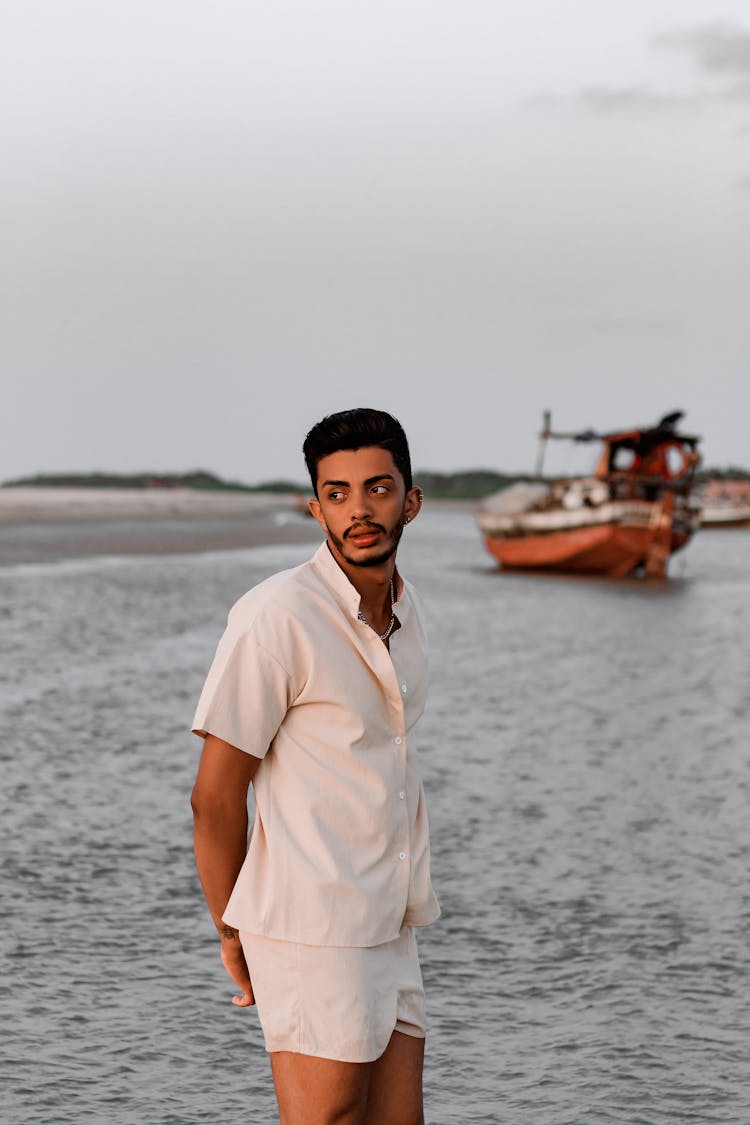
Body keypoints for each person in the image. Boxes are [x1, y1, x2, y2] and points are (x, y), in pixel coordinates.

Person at [190, 408, 440, 1125]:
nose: (359, 510)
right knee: (326, 1118)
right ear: (315, 507)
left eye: (378, 488)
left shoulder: (410, 613)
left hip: (390, 917)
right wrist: (231, 927)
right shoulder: (278, 617)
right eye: (337, 493)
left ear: (411, 501)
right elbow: (214, 796)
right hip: (309, 923)